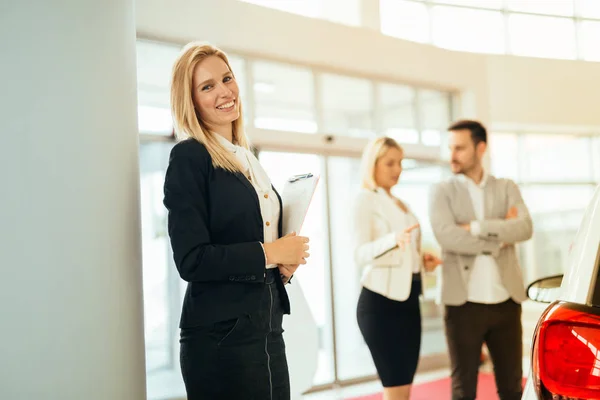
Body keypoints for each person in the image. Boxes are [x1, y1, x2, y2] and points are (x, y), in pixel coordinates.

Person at [163, 42, 310, 400]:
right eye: (207, 86)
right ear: (191, 100)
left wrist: (281, 265)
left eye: (226, 78)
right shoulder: (190, 157)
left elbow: (251, 242)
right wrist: (269, 251)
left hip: (267, 327)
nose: (224, 92)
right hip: (221, 337)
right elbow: (191, 259)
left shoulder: (248, 159)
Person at [429, 120, 533, 400]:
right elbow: (446, 236)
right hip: (462, 305)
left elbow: (524, 228)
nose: (452, 155)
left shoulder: (506, 186)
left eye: (460, 148)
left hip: (506, 302)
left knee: (512, 388)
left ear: (481, 147)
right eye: (450, 148)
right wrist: (500, 235)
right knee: (464, 390)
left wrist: (474, 227)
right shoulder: (441, 191)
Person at [353, 137, 442, 400]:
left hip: (409, 301)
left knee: (404, 388)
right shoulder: (365, 199)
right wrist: (393, 240)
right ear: (373, 164)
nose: (397, 169)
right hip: (380, 305)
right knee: (393, 387)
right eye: (390, 163)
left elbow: (405, 253)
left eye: (400, 163)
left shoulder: (400, 203)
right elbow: (360, 253)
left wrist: (421, 261)